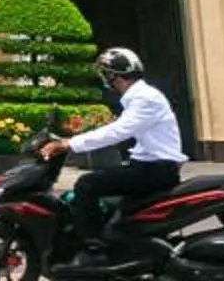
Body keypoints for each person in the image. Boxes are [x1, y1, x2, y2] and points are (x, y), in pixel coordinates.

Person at [39, 48, 184, 262]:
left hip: (155, 170)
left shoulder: (145, 98)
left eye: (106, 73)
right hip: (150, 166)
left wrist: (69, 144)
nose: (105, 78)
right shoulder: (141, 96)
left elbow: (117, 131)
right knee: (108, 187)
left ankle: (93, 244)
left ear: (113, 75)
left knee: (87, 184)